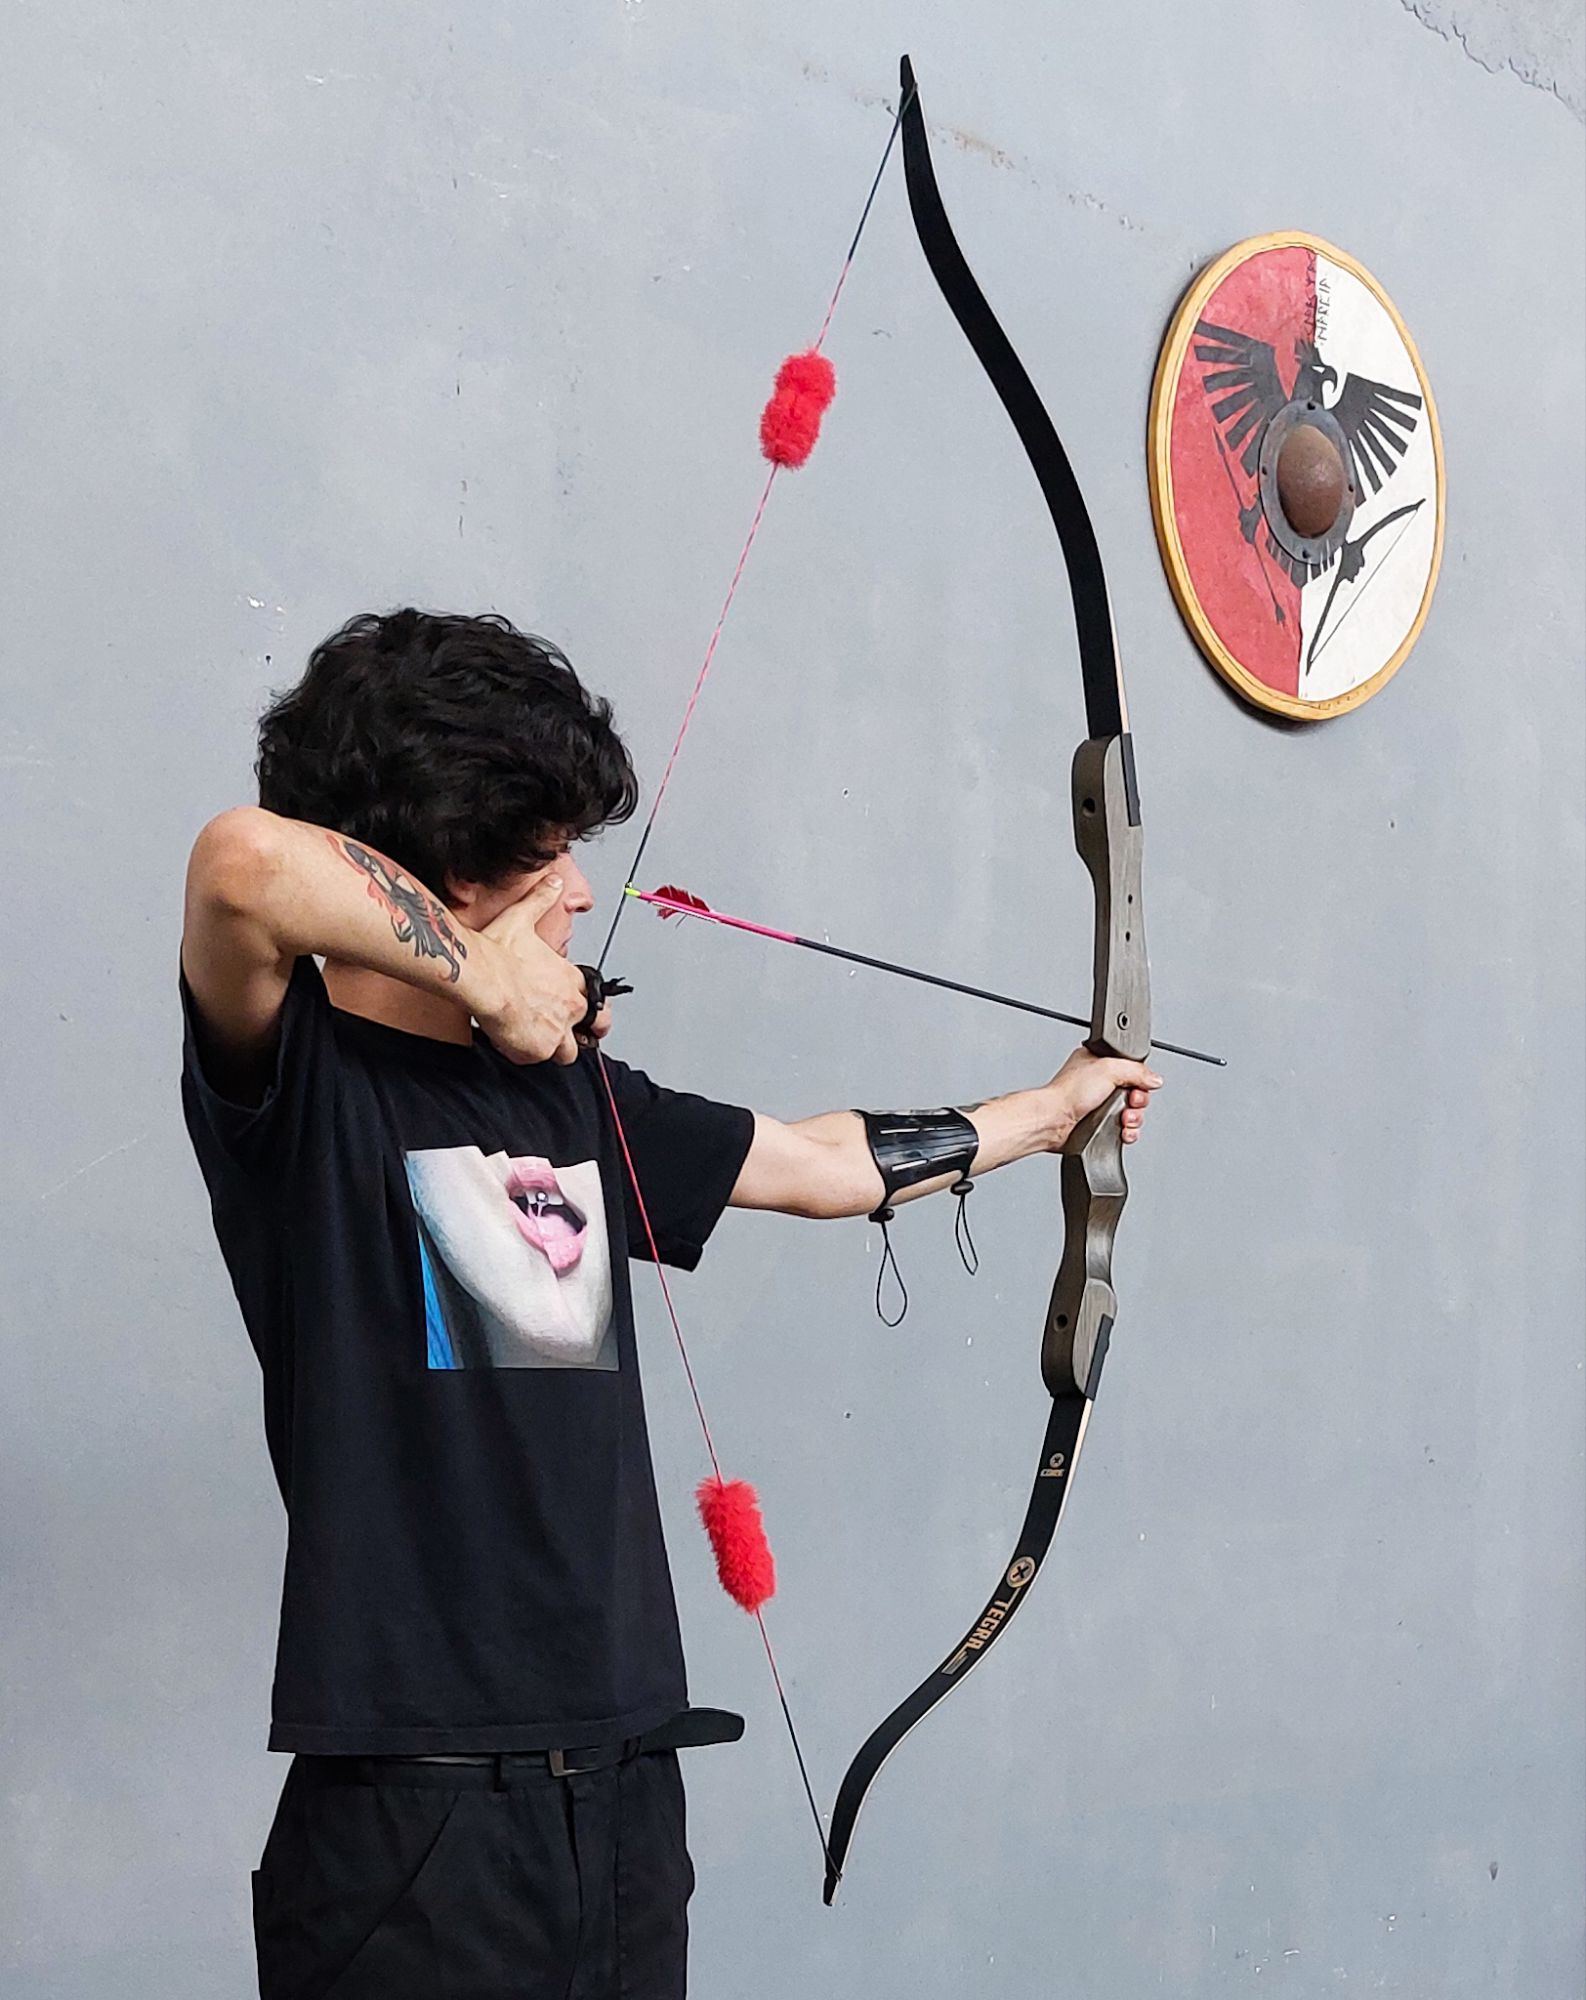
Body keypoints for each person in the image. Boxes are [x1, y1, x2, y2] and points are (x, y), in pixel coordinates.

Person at [180, 608, 1160, 1999]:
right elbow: (241, 864)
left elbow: (819, 1165)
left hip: (628, 1789)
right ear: (453, 867)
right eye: (546, 858)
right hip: (416, 1819)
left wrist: (1052, 1116)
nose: (580, 895)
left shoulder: (571, 1099)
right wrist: (485, 977)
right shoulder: (301, 1089)